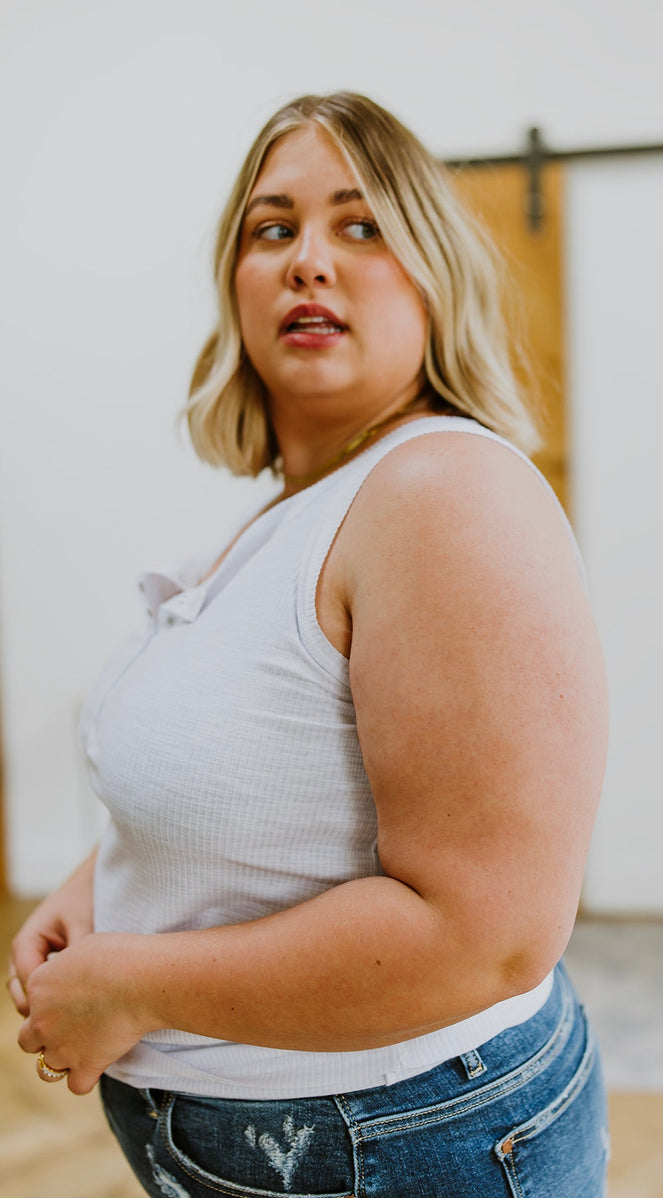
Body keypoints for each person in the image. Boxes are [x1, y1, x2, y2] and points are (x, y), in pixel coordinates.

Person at [8, 92, 610, 1196]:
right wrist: (107, 887)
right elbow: (272, 782)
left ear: (432, 275)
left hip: (404, 1150)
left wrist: (129, 988)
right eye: (272, 228)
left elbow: (485, 935)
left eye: (361, 224)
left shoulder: (441, 494)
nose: (307, 262)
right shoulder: (300, 508)